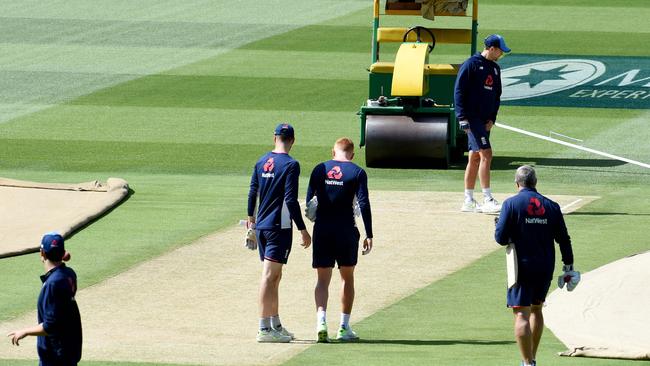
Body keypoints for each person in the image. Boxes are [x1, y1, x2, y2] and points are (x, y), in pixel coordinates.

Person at [494, 166, 581, 366]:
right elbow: (563, 239)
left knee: (521, 313)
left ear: (517, 183)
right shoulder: (551, 206)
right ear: (535, 182)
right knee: (536, 309)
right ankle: (531, 358)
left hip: (520, 266)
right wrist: (569, 266)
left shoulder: (511, 204)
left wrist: (500, 227)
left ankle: (527, 363)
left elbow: (500, 238)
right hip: (544, 265)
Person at [247, 123, 312, 343]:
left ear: (274, 137)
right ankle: (264, 329)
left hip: (263, 226)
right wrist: (303, 229)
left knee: (275, 276)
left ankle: (275, 324)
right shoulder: (291, 165)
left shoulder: (261, 160)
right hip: (278, 227)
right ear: (292, 140)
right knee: (269, 276)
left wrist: (250, 220)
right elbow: (290, 200)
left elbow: (253, 191)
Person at [305, 137, 373, 342]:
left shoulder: (319, 169)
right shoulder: (358, 172)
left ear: (333, 152)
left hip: (322, 230)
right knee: (347, 278)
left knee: (322, 281)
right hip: (346, 231)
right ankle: (343, 327)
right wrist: (369, 233)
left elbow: (309, 201)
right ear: (352, 154)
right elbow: (364, 203)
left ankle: (321, 322)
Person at [454, 34, 511, 213]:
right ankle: (487, 199)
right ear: (491, 48)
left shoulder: (495, 69)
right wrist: (462, 117)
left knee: (475, 157)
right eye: (500, 50)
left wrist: (492, 118)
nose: (502, 54)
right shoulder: (471, 64)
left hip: (484, 121)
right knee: (487, 153)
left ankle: (469, 200)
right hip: (472, 118)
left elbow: (497, 95)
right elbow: (459, 90)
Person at [7, 232, 82, 366]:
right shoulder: (69, 274)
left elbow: (50, 326)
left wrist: (24, 331)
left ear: (42, 253)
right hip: (68, 350)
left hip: (55, 356)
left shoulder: (52, 284)